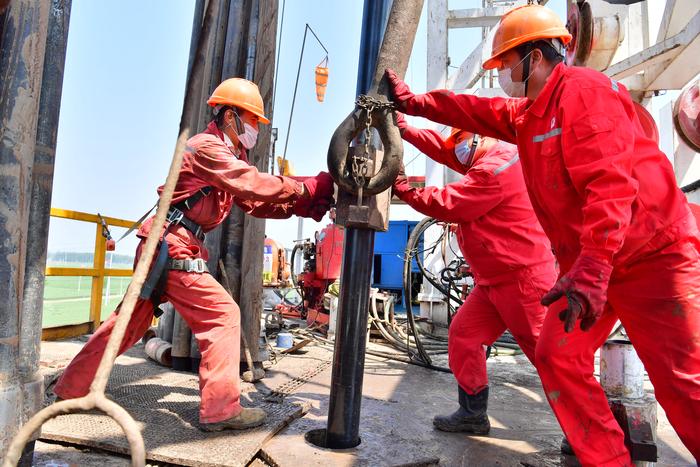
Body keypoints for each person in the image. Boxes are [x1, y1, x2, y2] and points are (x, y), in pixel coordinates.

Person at [385, 3, 700, 466]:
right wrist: (415, 105)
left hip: (651, 257)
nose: (501, 74)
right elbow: (473, 110)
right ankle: (606, 459)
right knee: (557, 355)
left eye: (505, 63)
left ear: (534, 57)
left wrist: (593, 265)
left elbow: (610, 182)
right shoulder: (530, 115)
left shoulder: (583, 92)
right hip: (591, 265)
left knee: (683, 384)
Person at [53, 78, 335, 431]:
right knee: (222, 316)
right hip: (170, 245)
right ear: (230, 116)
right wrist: (305, 187)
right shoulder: (207, 148)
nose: (255, 129)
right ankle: (220, 411)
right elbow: (250, 182)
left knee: (128, 324)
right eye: (252, 120)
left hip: (165, 244)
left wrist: (302, 205)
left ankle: (70, 389)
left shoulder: (228, 156)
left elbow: (252, 201)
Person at [392, 112, 557, 434]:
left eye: (462, 141)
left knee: (551, 357)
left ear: (481, 135)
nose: (458, 150)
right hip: (493, 281)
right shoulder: (486, 157)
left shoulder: (496, 167)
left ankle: (590, 430)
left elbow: (447, 202)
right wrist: (405, 129)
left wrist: (404, 189)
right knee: (465, 336)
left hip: (523, 280)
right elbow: (444, 150)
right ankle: (472, 414)